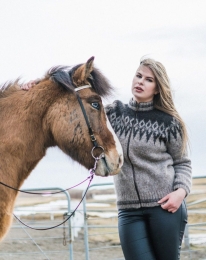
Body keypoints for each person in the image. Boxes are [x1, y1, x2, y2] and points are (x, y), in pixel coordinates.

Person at [23, 58, 192, 260]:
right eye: (138, 76)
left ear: (157, 88)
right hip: (129, 212)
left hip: (164, 208)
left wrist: (180, 193)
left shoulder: (169, 122)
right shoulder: (113, 113)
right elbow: (80, 108)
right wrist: (39, 89)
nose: (140, 82)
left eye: (148, 80)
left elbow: (182, 163)